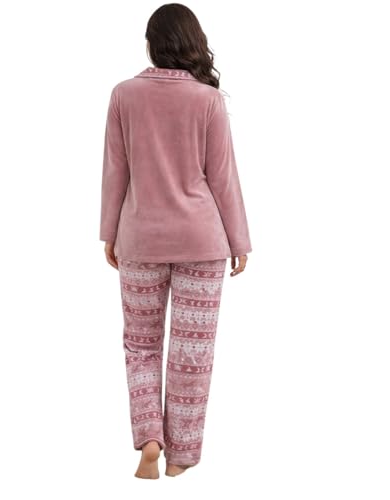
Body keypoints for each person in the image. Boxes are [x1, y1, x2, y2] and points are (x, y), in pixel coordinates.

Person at [99, 3, 252, 479]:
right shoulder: (207, 100)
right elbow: (222, 176)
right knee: (193, 351)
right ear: (192, 43)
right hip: (202, 241)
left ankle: (149, 437)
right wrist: (239, 240)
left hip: (140, 239)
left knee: (140, 345)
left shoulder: (124, 95)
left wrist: (109, 233)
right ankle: (181, 455)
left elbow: (115, 170)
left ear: (151, 44)